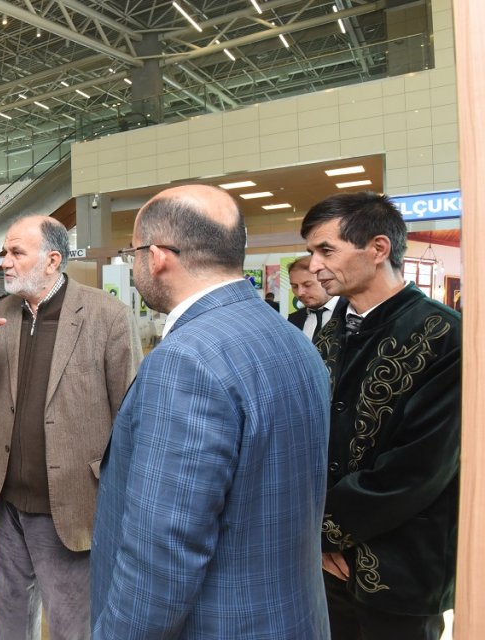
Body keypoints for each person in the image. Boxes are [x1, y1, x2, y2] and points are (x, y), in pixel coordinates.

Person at [90, 184, 331, 638]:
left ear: (157, 256)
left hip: (217, 622)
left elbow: (162, 553)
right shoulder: (292, 340)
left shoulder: (186, 360)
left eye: (133, 252)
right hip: (291, 618)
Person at [0, 214, 136, 640]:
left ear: (53, 259)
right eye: (4, 252)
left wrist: (122, 500)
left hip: (70, 504)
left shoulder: (106, 316)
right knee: (13, 615)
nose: (5, 261)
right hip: (8, 500)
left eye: (17, 252)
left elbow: (131, 415)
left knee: (70, 623)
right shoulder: (1, 313)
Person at [302, 192, 460, 640]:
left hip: (400, 567)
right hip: (325, 567)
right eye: (312, 252)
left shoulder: (444, 335)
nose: (313, 265)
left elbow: (419, 467)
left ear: (378, 249)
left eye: (325, 250)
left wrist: (323, 531)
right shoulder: (330, 333)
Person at [286, 254, 344, 342]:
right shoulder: (293, 319)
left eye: (307, 285)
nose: (300, 293)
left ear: (326, 280)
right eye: (294, 286)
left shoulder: (353, 312)